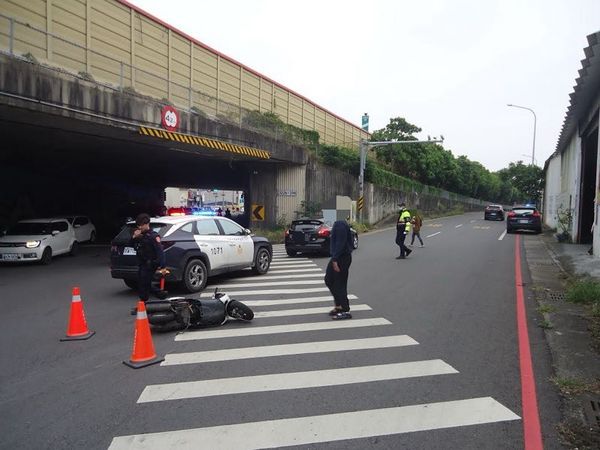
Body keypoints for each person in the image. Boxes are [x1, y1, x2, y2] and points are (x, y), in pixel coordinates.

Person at [132, 213, 167, 302]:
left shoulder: (153, 236)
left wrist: (162, 266)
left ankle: (143, 303)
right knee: (142, 283)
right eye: (138, 225)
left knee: (144, 284)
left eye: (141, 225)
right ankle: (159, 294)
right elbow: (132, 245)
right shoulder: (140, 235)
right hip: (142, 263)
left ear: (147, 224)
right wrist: (134, 238)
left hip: (151, 263)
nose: (140, 227)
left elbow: (160, 252)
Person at [324, 218, 354, 320]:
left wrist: (335, 259)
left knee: (340, 284)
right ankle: (339, 305)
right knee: (329, 280)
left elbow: (340, 242)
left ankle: (345, 310)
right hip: (337, 257)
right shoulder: (337, 223)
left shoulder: (340, 224)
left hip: (341, 258)